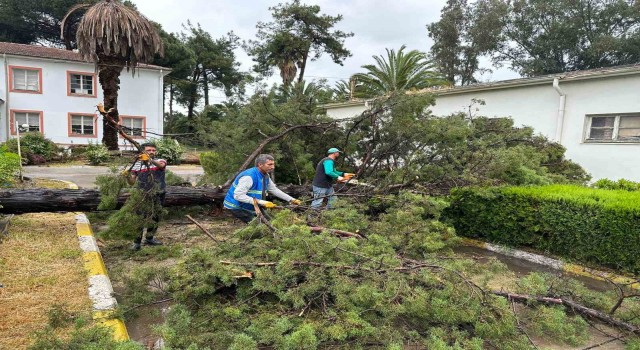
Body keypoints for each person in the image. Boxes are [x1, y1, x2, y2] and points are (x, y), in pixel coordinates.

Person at [223, 154, 301, 223]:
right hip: (237, 206)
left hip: (252, 204)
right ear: (260, 164)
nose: (273, 167)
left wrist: (291, 199)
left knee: (270, 223)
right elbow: (238, 196)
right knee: (260, 227)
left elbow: (274, 189)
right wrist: (263, 202)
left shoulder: (265, 175)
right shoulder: (249, 176)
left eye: (273, 164)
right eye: (269, 164)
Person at [127, 143, 167, 250]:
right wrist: (126, 176)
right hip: (142, 194)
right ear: (143, 152)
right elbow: (132, 182)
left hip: (159, 193)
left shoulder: (160, 160)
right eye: (149, 150)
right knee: (140, 217)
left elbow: (161, 166)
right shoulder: (137, 165)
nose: (152, 152)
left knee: (155, 216)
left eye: (154, 150)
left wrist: (149, 160)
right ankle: (137, 243)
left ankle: (150, 238)